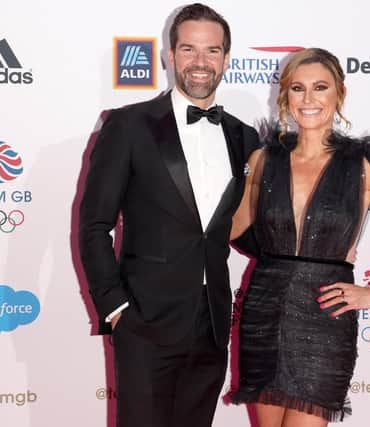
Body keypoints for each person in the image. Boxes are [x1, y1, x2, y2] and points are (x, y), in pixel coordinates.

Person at [229, 48, 370, 427]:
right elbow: (229, 231)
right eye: (298, 89)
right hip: (264, 313)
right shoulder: (265, 160)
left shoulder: (364, 166)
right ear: (285, 96)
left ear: (339, 94)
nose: (309, 99)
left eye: (320, 87)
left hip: (323, 317)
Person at [78, 4, 260, 426]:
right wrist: (115, 307)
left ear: (227, 59)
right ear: (170, 56)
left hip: (212, 324)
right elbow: (94, 226)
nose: (201, 62)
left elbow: (239, 229)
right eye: (189, 49)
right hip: (143, 322)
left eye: (212, 51)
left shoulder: (243, 136)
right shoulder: (128, 126)